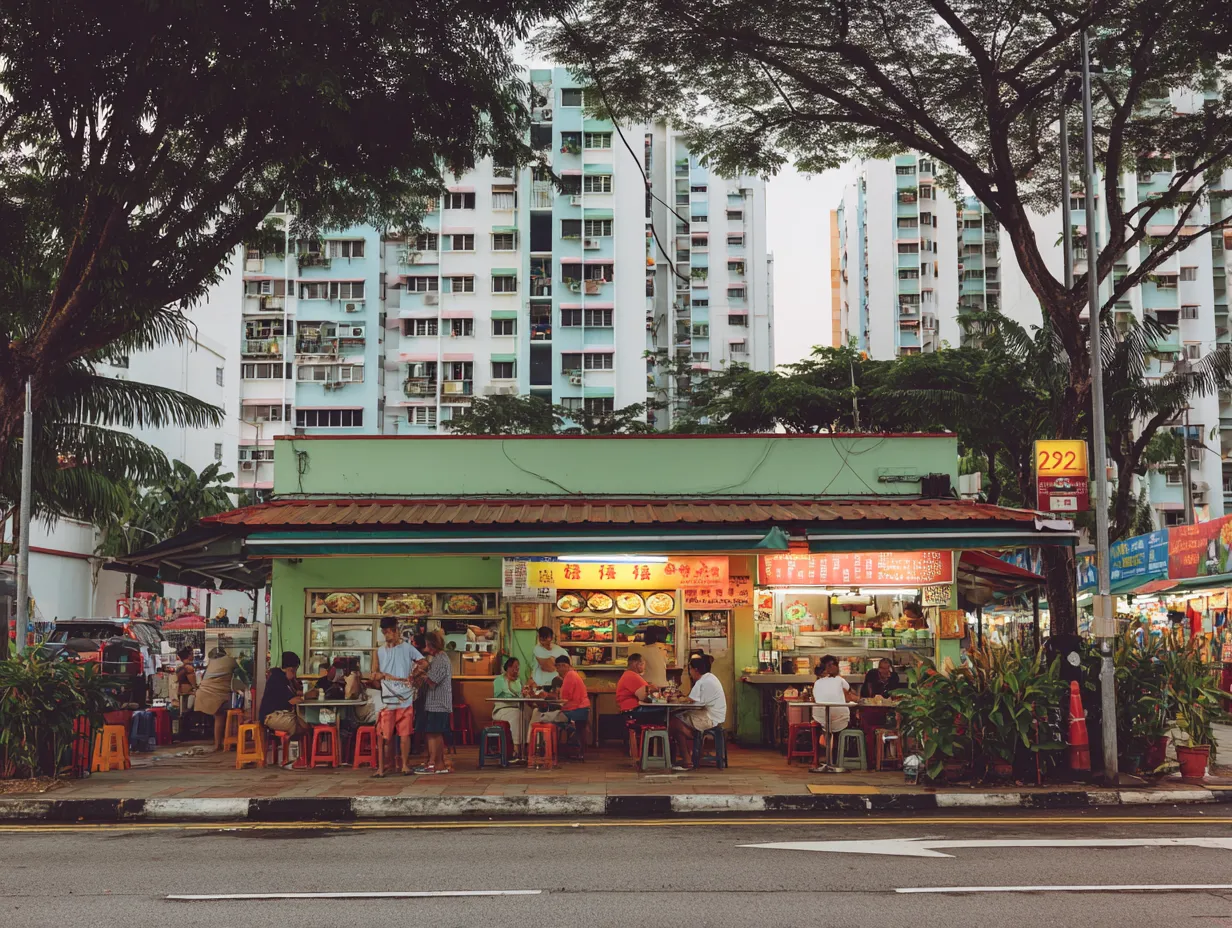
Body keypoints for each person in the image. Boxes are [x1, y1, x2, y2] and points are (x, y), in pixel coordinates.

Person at [371, 616, 426, 778]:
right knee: (385, 736)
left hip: (405, 698)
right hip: (387, 699)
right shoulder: (379, 651)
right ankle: (383, 767)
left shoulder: (408, 648)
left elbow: (424, 663)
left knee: (405, 734)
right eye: (385, 632)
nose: (388, 635)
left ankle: (404, 765)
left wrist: (413, 675)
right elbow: (373, 674)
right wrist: (381, 676)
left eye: (390, 631)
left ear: (396, 631)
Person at [667, 656, 726, 771]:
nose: (690, 673)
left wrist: (679, 699)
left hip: (710, 717)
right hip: (714, 715)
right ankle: (689, 756)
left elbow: (693, 702)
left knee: (674, 722)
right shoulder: (710, 678)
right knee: (676, 721)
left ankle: (688, 756)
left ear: (695, 670)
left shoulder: (703, 682)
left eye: (690, 669)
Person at [810, 654, 858, 772]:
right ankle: (836, 761)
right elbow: (852, 694)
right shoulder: (840, 680)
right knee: (843, 728)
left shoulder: (817, 683)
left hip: (820, 717)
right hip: (839, 716)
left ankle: (824, 761)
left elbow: (815, 699)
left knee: (827, 729)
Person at [416, 629, 453, 775]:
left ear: (431, 645)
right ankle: (436, 763)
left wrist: (421, 674)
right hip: (435, 703)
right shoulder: (438, 659)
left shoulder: (440, 660)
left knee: (435, 733)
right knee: (432, 732)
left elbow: (432, 681)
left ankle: (437, 764)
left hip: (439, 703)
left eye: (427, 644)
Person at [194, 645, 243, 752]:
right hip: (218, 694)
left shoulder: (210, 664)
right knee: (224, 716)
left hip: (203, 693)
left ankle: (219, 743)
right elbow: (241, 675)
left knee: (219, 717)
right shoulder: (231, 661)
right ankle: (228, 742)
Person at [260, 652, 309, 749]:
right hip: (270, 716)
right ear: (290, 669)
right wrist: (303, 697)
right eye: (295, 670)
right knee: (296, 724)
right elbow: (292, 700)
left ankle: (300, 753)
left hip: (280, 713)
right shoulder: (277, 678)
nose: (295, 673)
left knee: (304, 724)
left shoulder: (284, 678)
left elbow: (294, 694)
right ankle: (293, 752)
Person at [492, 657, 529, 762]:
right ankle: (516, 749)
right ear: (508, 667)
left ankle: (525, 748)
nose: (516, 670)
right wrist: (509, 684)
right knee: (517, 716)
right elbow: (498, 695)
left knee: (526, 714)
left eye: (517, 667)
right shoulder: (499, 680)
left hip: (517, 707)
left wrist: (525, 693)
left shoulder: (519, 681)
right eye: (514, 667)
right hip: (502, 709)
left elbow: (521, 695)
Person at [555, 654, 590, 758]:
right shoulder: (573, 674)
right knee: (555, 717)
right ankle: (574, 740)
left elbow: (565, 698)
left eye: (558, 667)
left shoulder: (569, 676)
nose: (557, 670)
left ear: (563, 666)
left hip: (576, 710)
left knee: (551, 719)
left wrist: (551, 697)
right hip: (582, 709)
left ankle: (556, 749)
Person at [615, 652, 661, 721]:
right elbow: (643, 696)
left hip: (631, 709)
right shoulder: (631, 676)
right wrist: (653, 688)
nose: (644, 667)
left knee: (667, 710)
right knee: (669, 710)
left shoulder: (629, 674)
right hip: (634, 710)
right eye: (642, 664)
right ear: (635, 664)